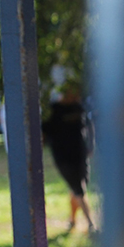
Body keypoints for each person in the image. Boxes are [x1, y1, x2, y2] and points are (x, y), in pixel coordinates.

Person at [41, 82, 95, 231]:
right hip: (63, 157)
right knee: (79, 188)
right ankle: (91, 224)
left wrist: (90, 145)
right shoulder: (53, 110)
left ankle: (72, 220)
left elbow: (88, 127)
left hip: (80, 154)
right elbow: (43, 133)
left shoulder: (79, 107)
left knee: (77, 188)